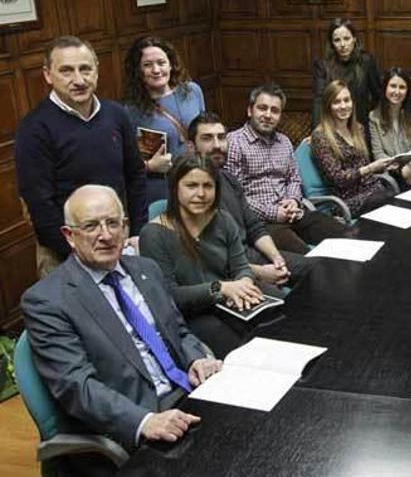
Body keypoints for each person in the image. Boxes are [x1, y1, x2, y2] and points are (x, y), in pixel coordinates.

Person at [22, 185, 220, 475]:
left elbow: (178, 330)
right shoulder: (47, 301)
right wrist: (145, 421)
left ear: (125, 226)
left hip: (188, 394)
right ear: (69, 236)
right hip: (133, 425)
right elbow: (78, 388)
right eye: (91, 226)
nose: (106, 234)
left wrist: (195, 359)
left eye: (113, 223)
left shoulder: (146, 269)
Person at [15, 35, 147, 278]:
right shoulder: (34, 128)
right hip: (65, 255)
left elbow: (136, 175)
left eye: (85, 69)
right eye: (66, 71)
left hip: (118, 242)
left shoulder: (116, 114)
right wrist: (80, 253)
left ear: (97, 71)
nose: (78, 80)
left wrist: (137, 232)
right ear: (47, 75)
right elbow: (39, 204)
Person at [139, 154, 265, 358]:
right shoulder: (153, 234)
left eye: (208, 186)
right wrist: (220, 288)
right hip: (189, 315)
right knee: (243, 352)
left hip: (228, 302)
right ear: (175, 188)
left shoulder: (223, 220)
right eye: (191, 186)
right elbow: (169, 295)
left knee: (276, 328)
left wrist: (244, 284)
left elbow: (241, 266)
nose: (201, 194)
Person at [187, 112, 312, 288]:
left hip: (249, 254)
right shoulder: (188, 189)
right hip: (226, 273)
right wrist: (260, 272)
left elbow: (254, 227)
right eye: (207, 138)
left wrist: (277, 259)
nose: (217, 145)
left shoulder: (229, 179)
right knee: (279, 304)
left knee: (314, 268)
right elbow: (207, 258)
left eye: (221, 138)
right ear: (191, 147)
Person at [226, 83, 348, 254]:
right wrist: (274, 212)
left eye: (274, 110)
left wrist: (293, 200)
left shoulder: (284, 142)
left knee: (348, 237)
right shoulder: (234, 142)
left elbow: (294, 178)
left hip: (293, 213)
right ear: (250, 110)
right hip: (261, 223)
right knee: (308, 257)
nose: (268, 115)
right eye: (262, 108)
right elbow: (234, 195)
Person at [123, 36, 206, 204]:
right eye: (147, 65)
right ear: (138, 70)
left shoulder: (192, 91)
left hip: (197, 179)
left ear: (170, 64)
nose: (156, 70)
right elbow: (125, 162)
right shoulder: (130, 111)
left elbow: (205, 129)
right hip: (161, 187)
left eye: (161, 62)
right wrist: (149, 166)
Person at [312, 80, 397, 216]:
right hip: (345, 199)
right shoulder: (321, 136)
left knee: (399, 198)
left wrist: (383, 166)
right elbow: (338, 179)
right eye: (337, 102)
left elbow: (363, 166)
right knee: (387, 202)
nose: (343, 106)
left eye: (347, 100)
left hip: (372, 188)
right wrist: (370, 168)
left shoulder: (358, 128)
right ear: (328, 106)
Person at [312, 18, 381, 130]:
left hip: (361, 124)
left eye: (346, 38)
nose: (343, 44)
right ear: (332, 43)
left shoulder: (366, 62)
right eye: (337, 40)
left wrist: (370, 118)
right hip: (333, 125)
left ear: (354, 39)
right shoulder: (323, 65)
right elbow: (319, 100)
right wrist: (316, 130)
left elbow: (377, 95)